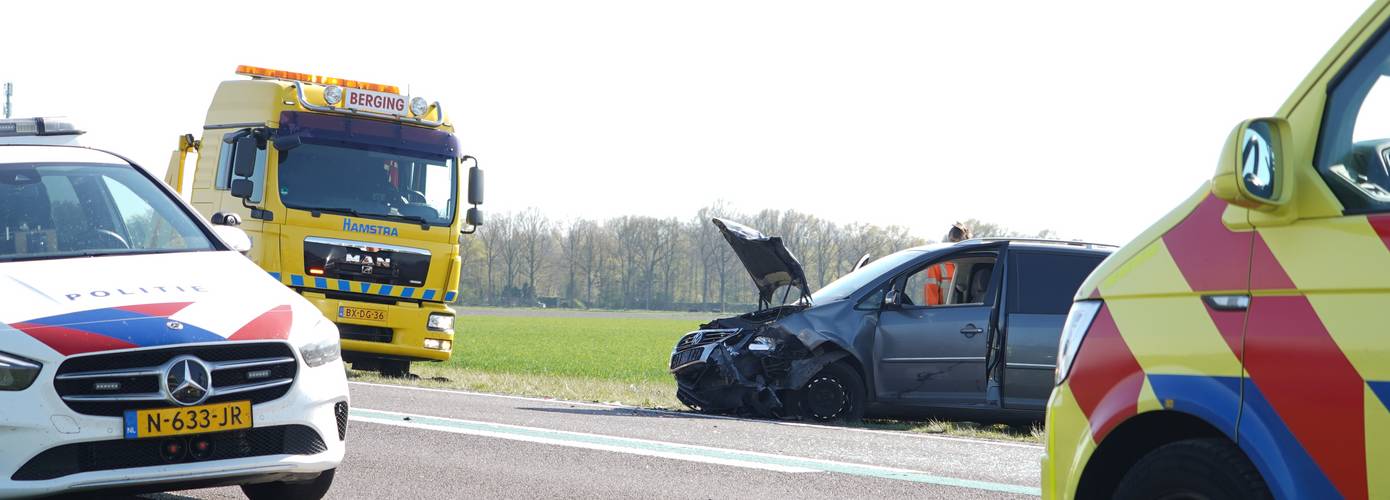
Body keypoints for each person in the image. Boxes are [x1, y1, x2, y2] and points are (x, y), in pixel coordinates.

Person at [924, 223, 972, 305]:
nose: (955, 248)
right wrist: (932, 315)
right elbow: (931, 299)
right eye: (953, 242)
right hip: (946, 315)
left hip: (972, 314)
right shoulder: (937, 266)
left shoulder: (976, 262)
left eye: (960, 244)